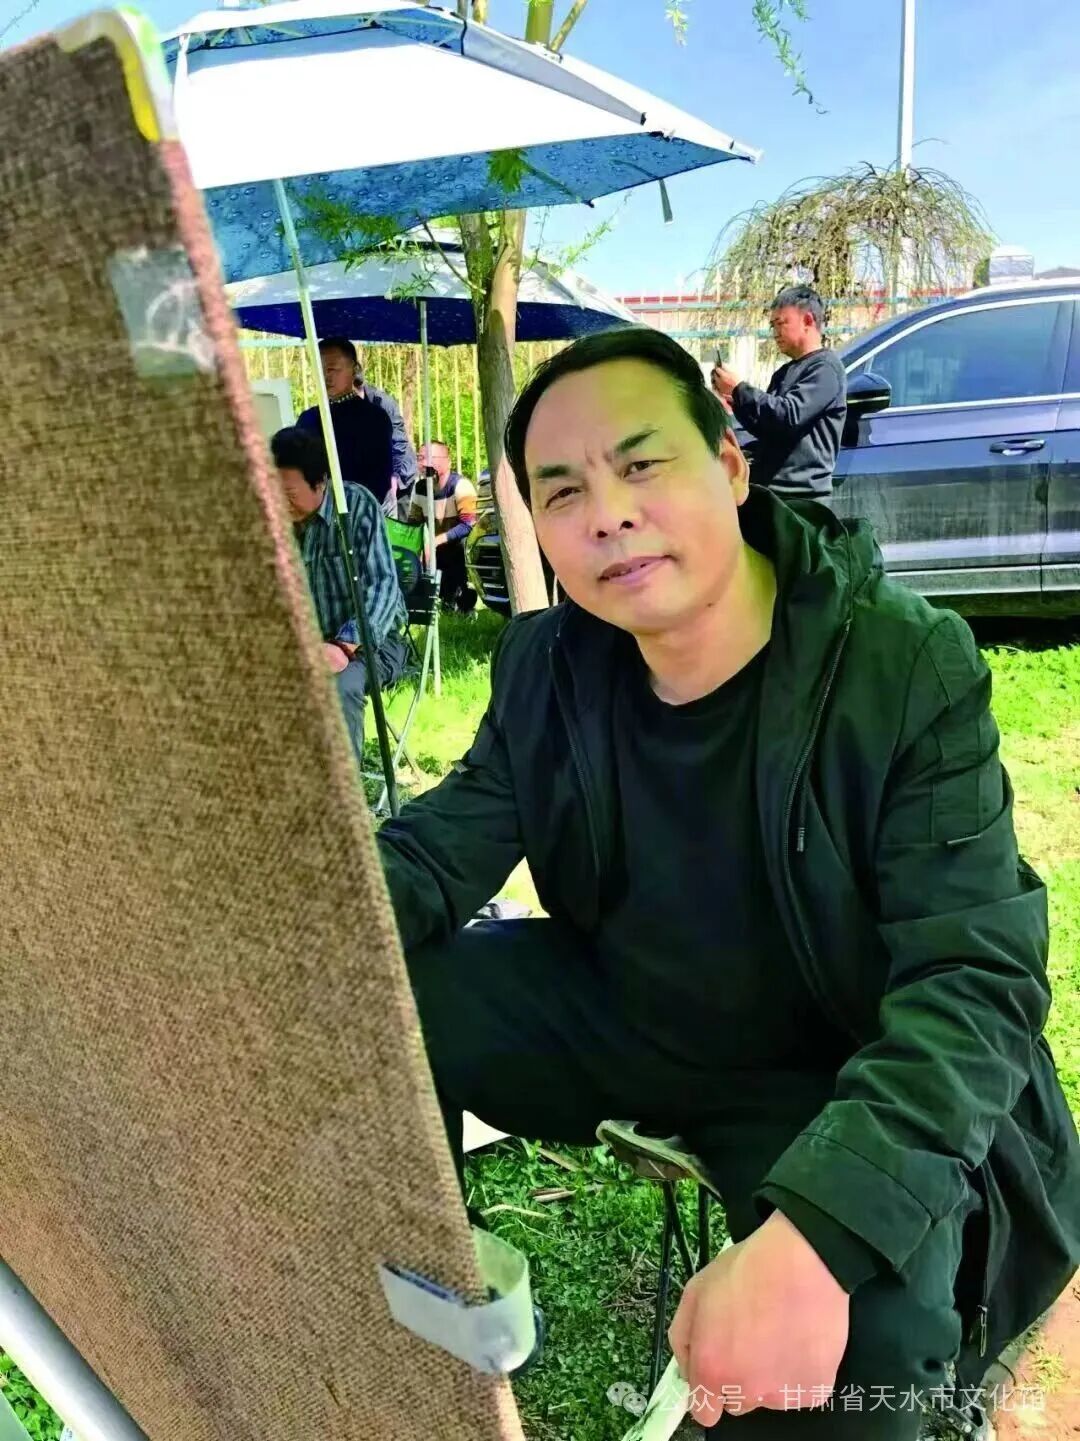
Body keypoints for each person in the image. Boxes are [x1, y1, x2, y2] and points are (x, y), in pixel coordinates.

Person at [376, 328, 1080, 1437]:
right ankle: (389, 1298)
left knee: (860, 1335)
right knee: (373, 1003)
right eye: (563, 492)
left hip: (831, 1065)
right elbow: (432, 852)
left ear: (732, 465)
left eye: (641, 464)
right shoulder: (547, 668)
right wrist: (291, 935)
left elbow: (975, 979)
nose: (608, 514)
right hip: (629, 1016)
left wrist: (815, 1240)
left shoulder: (900, 667)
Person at [271, 426, 407, 762]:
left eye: (288, 493)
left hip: (373, 641)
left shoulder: (355, 507)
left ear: (320, 482)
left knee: (337, 687)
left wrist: (344, 644)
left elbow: (382, 587)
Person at [711, 285, 847, 500]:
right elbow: (768, 426)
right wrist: (736, 400)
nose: (775, 333)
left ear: (808, 320)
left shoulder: (825, 368)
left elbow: (789, 416)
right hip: (772, 493)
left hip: (801, 499)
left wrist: (739, 389)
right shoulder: (785, 372)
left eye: (781, 323)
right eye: (772, 325)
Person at [296, 338, 395, 512]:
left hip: (358, 514)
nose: (325, 376)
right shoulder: (308, 419)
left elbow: (380, 479)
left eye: (332, 369)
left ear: (354, 369)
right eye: (319, 369)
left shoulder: (374, 419)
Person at [409, 440, 479, 612]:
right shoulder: (420, 488)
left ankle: (465, 600)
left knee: (460, 546)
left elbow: (469, 524)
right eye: (420, 458)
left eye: (430, 458)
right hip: (438, 549)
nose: (423, 463)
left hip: (459, 547)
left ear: (447, 462)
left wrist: (435, 541)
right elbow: (413, 525)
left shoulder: (461, 486)